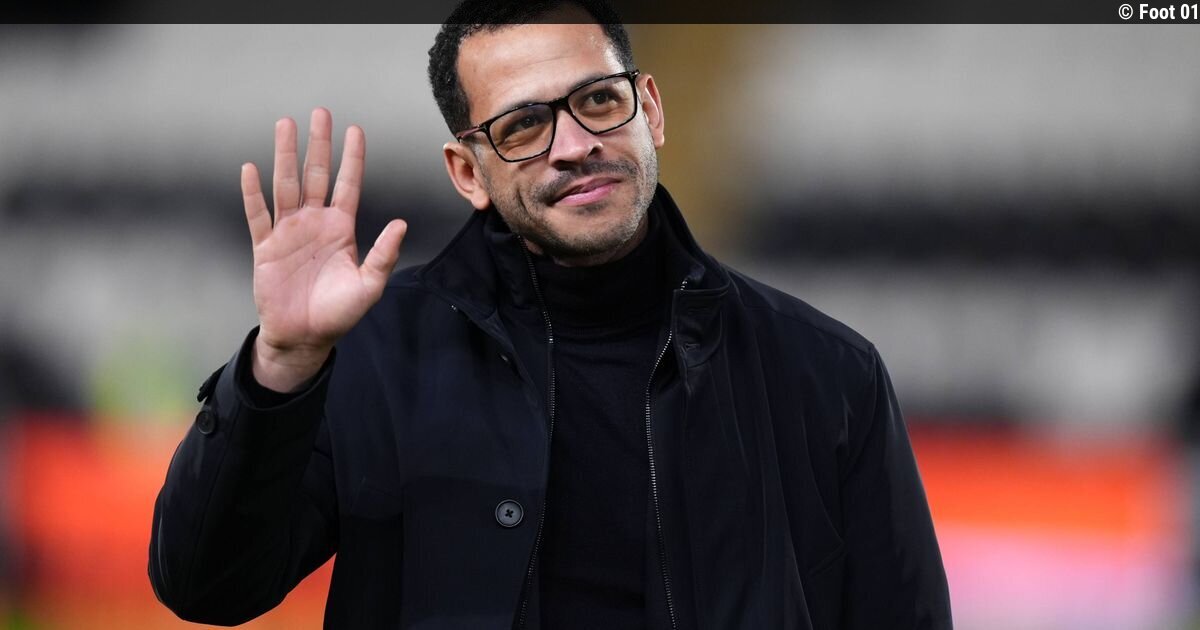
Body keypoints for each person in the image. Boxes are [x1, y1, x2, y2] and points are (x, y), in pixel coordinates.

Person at [148, 1, 952, 628]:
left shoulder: (829, 373)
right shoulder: (371, 352)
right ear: (468, 172)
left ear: (650, 111)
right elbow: (206, 587)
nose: (574, 145)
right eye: (524, 125)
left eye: (599, 100)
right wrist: (281, 365)